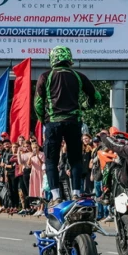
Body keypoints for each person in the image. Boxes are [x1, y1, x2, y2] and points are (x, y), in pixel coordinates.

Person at [34, 46, 101, 205]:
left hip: (53, 122)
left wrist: (43, 120)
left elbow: (37, 104)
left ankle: (56, 196)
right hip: (73, 122)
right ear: (69, 59)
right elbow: (96, 97)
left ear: (52, 59)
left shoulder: (45, 76)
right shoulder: (79, 76)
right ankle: (76, 193)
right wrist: (83, 106)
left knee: (51, 160)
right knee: (75, 158)